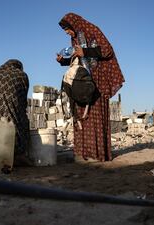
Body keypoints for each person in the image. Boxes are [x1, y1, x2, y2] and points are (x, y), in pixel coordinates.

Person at [56, 13, 125, 161]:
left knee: (95, 114)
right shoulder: (75, 38)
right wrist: (63, 61)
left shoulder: (92, 30)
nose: (67, 32)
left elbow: (107, 50)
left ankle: (96, 154)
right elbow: (78, 59)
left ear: (74, 24)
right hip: (81, 81)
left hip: (96, 81)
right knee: (80, 115)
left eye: (68, 29)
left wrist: (85, 51)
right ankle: (82, 154)